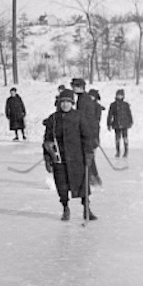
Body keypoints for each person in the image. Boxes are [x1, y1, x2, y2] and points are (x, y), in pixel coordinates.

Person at [42, 88, 97, 221]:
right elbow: (47, 140)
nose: (65, 104)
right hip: (59, 159)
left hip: (77, 158)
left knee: (82, 185)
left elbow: (86, 137)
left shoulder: (78, 116)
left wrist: (88, 153)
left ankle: (86, 209)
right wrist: (48, 158)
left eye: (68, 102)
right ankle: (65, 208)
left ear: (72, 103)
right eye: (63, 102)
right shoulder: (53, 119)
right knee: (62, 185)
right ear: (59, 103)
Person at [71, 77, 100, 186]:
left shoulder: (83, 99)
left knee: (87, 157)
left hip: (88, 133)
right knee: (88, 157)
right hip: (89, 132)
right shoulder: (83, 98)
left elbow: (82, 117)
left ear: (80, 87)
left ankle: (92, 180)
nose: (73, 88)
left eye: (74, 86)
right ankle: (93, 179)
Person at [107, 88, 133, 158]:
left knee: (125, 138)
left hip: (125, 124)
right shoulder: (113, 105)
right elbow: (110, 114)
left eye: (121, 95)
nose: (119, 97)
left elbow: (129, 113)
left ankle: (126, 151)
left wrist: (131, 121)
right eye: (118, 95)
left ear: (123, 96)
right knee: (117, 139)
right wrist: (108, 123)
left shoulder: (126, 104)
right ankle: (118, 151)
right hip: (116, 124)